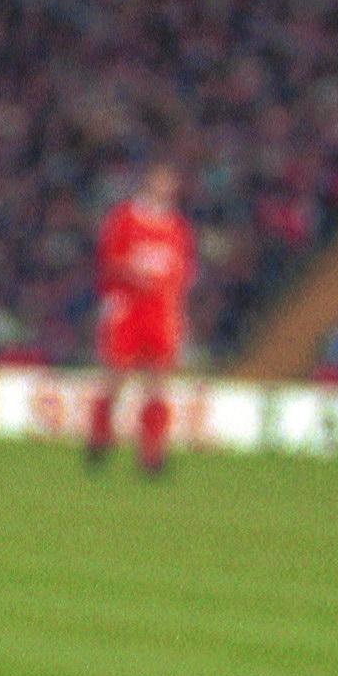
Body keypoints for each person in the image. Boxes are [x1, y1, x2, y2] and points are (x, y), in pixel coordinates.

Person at [88, 160, 194, 476]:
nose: (166, 187)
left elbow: (181, 272)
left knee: (158, 383)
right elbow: (108, 261)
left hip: (160, 312)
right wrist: (135, 275)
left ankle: (151, 453)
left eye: (170, 182)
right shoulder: (124, 218)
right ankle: (101, 436)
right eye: (161, 180)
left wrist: (177, 310)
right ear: (148, 182)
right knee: (116, 377)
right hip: (128, 308)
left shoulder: (177, 227)